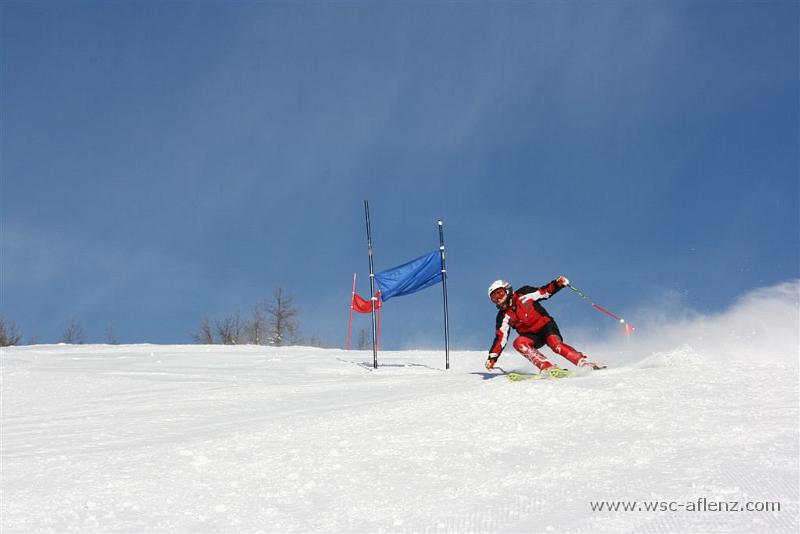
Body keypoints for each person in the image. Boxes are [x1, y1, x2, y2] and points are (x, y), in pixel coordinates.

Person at [485, 276, 601, 373]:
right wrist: (493, 357)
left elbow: (544, 292)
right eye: (494, 298)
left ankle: (584, 363)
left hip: (546, 326)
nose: (498, 298)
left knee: (555, 344)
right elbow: (501, 338)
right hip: (532, 336)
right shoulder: (503, 316)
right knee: (518, 343)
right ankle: (547, 367)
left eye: (499, 293)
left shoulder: (524, 293)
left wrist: (557, 284)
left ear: (507, 289)